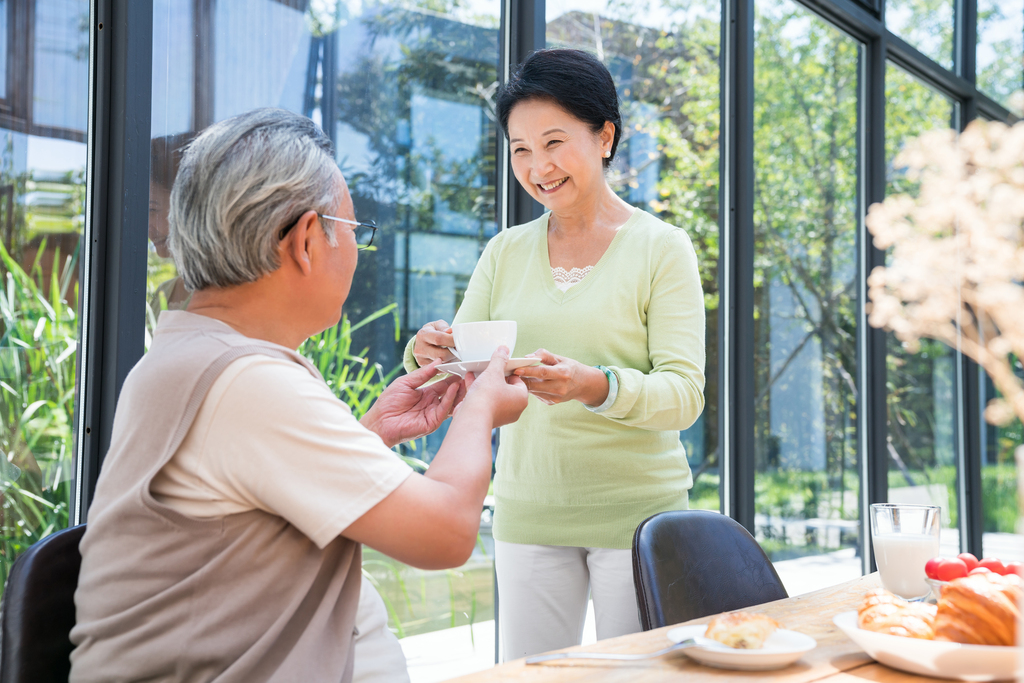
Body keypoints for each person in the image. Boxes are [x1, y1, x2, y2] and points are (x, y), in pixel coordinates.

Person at [70, 108, 528, 683]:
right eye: (355, 232)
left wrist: (371, 434)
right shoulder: (246, 383)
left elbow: (249, 503)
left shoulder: (192, 357)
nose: (357, 252)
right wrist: (481, 406)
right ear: (309, 240)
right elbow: (446, 533)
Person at [408, 48, 706, 659]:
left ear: (604, 136)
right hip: (528, 516)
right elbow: (465, 373)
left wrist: (594, 386)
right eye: (520, 149)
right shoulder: (504, 252)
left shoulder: (662, 248)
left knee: (635, 679)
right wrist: (426, 352)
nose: (537, 166)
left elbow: (685, 394)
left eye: (553, 142)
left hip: (640, 523)